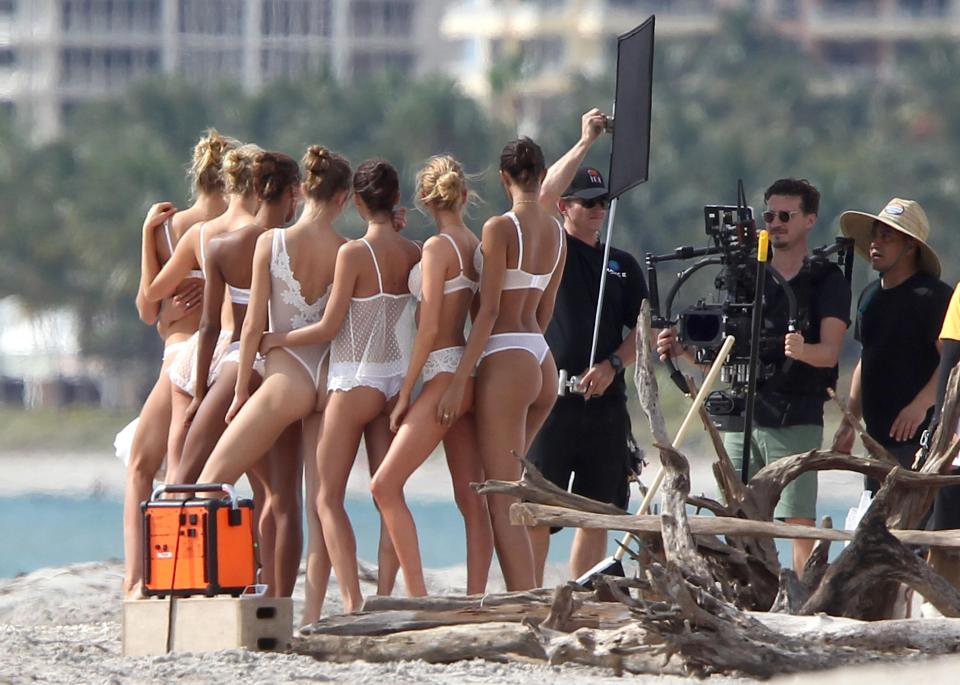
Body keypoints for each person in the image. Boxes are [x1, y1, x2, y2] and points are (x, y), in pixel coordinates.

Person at [658, 178, 851, 571]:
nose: (776, 223)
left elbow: (830, 353)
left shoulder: (825, 280)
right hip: (740, 414)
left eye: (785, 215)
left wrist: (801, 351)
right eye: (769, 215)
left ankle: (805, 601)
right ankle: (746, 596)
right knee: (737, 518)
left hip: (794, 414)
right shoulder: (746, 278)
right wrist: (684, 350)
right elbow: (723, 358)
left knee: (798, 522)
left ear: (809, 219)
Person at [198, 145, 352, 617]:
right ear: (344, 198)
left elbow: (251, 327)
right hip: (327, 379)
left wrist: (243, 388)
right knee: (316, 504)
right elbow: (335, 325)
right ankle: (308, 613)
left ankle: (216, 587)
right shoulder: (347, 250)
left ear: (303, 190)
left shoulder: (273, 242)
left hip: (285, 378)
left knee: (208, 485)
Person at [260, 158, 419, 613]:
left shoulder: (353, 253)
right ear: (395, 202)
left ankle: (352, 602)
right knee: (389, 497)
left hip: (354, 381)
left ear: (356, 202)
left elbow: (330, 327)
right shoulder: (415, 252)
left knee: (327, 498)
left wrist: (279, 338)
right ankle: (388, 596)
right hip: (393, 382)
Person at [436, 137, 566, 591]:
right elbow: (546, 309)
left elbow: (488, 312)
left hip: (506, 356)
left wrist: (457, 380)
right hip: (540, 359)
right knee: (514, 485)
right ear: (543, 174)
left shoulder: (500, 228)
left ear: (503, 178)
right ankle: (530, 593)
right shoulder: (557, 232)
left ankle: (524, 601)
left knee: (502, 497)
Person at [526, 111, 646, 584]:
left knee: (599, 509)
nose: (598, 210)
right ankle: (532, 594)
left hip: (605, 404)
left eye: (603, 203)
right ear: (567, 208)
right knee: (540, 507)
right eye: (587, 202)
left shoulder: (621, 262)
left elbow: (641, 325)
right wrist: (585, 142)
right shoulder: (551, 245)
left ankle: (584, 592)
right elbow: (539, 198)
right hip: (554, 401)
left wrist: (615, 364)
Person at [371, 155, 493, 597]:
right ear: (463, 195)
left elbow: (427, 329)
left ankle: (418, 594)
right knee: (471, 501)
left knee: (384, 486)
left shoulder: (438, 249)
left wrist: (406, 393)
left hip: (442, 374)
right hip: (466, 372)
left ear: (426, 198)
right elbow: (479, 315)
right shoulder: (474, 245)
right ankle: (476, 598)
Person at [121, 130, 233, 596]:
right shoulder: (241, 228)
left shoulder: (173, 227)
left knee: (143, 466)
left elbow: (149, 309)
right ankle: (244, 567)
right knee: (213, 471)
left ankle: (137, 578)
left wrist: (147, 237)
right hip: (226, 353)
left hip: (181, 353)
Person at [832, 199, 951, 493]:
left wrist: (920, 406)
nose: (876, 244)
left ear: (910, 247)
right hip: (877, 438)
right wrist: (850, 420)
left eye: (887, 237)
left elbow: (951, 364)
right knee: (877, 527)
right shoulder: (870, 296)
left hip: (920, 438)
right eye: (875, 235)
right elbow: (866, 358)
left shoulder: (932, 296)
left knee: (912, 529)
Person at [924, 282, 960, 595]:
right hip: (957, 450)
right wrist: (940, 426)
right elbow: (949, 360)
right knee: (944, 540)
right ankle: (940, 612)